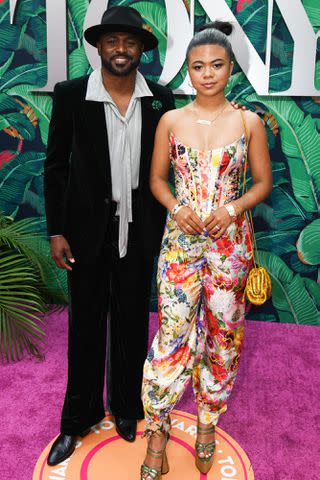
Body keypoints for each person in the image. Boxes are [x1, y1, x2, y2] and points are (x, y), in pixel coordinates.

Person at [44, 6, 175, 466]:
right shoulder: (70, 95)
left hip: (139, 231)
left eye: (130, 41)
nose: (121, 49)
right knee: (84, 325)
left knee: (132, 319)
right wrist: (57, 230)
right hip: (85, 232)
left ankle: (125, 407)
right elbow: (56, 166)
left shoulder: (160, 99)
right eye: (113, 41)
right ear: (99, 46)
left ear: (142, 48)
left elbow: (171, 167)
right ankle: (76, 419)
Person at [140, 21, 272, 479]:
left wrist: (233, 208)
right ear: (188, 73)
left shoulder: (248, 121)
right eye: (198, 66)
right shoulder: (171, 121)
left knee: (223, 334)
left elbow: (263, 184)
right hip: (179, 243)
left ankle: (207, 423)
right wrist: (177, 208)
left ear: (231, 68)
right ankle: (156, 430)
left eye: (217, 65)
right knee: (171, 336)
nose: (208, 73)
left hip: (230, 246)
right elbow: (156, 180)